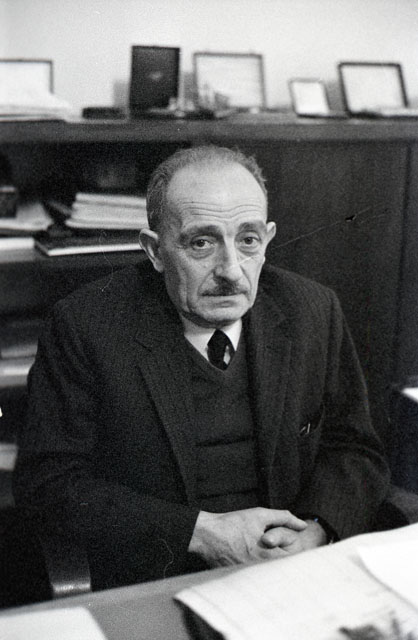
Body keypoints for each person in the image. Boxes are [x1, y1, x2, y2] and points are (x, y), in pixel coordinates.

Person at [14, 145, 390, 590]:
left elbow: (354, 449)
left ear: (267, 240)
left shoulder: (312, 310)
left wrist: (315, 531)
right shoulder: (86, 326)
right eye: (201, 243)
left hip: (292, 571)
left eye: (248, 240)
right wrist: (201, 534)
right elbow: (49, 485)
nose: (231, 270)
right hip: (159, 579)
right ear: (155, 250)